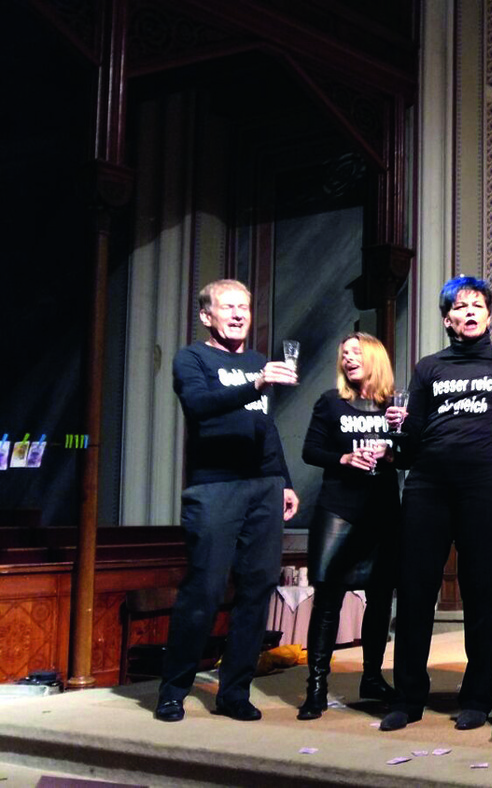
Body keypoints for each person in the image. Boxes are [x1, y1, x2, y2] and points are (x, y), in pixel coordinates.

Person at [381, 276, 492, 732]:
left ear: (487, 316)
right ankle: (408, 696)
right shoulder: (429, 368)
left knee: (481, 591)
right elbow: (411, 439)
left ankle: (477, 697)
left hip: (488, 485)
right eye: (460, 306)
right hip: (429, 485)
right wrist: (399, 428)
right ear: (447, 319)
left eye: (478, 305)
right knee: (415, 590)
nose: (469, 311)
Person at [156, 279, 300, 723]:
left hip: (263, 488)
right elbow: (199, 406)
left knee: (257, 590)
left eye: (245, 307)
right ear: (207, 316)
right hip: (215, 486)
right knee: (205, 590)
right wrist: (255, 384)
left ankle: (234, 692)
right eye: (228, 307)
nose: (239, 314)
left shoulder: (259, 361)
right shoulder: (192, 357)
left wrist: (284, 480)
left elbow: (266, 426)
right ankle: (173, 690)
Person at [296, 333, 402, 720]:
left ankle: (371, 677)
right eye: (344, 354)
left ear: (374, 357)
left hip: (383, 511)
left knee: (380, 599)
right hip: (339, 508)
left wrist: (393, 451)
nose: (348, 358)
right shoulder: (329, 401)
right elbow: (310, 450)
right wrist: (343, 457)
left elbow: (411, 453)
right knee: (328, 597)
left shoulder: (393, 404)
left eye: (356, 352)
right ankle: (317, 687)